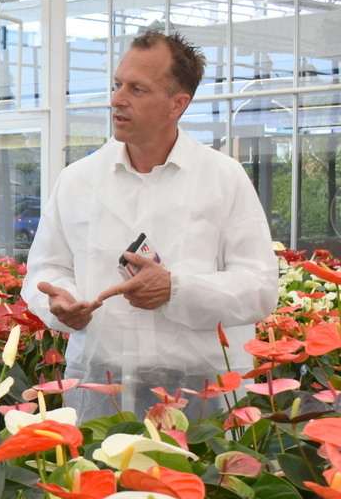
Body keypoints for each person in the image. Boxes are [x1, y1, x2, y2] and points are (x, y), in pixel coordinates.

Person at [21, 29, 277, 419]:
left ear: (177, 104)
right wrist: (61, 302)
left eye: (137, 89)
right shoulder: (77, 180)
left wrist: (176, 289)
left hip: (202, 395)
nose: (116, 99)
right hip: (101, 389)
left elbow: (259, 288)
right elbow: (46, 269)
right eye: (117, 84)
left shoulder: (223, 179)